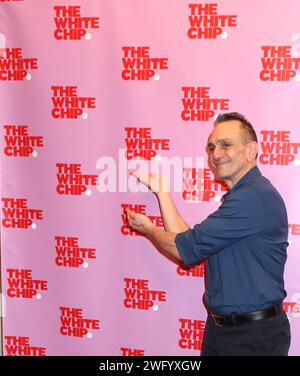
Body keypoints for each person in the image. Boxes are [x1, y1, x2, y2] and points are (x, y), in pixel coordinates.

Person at [126, 112, 291, 356]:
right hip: (222, 331)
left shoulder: (252, 198)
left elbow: (183, 248)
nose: (215, 154)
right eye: (211, 147)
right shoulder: (244, 197)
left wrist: (149, 230)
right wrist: (162, 193)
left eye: (226, 145)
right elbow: (189, 243)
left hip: (253, 338)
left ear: (251, 150)